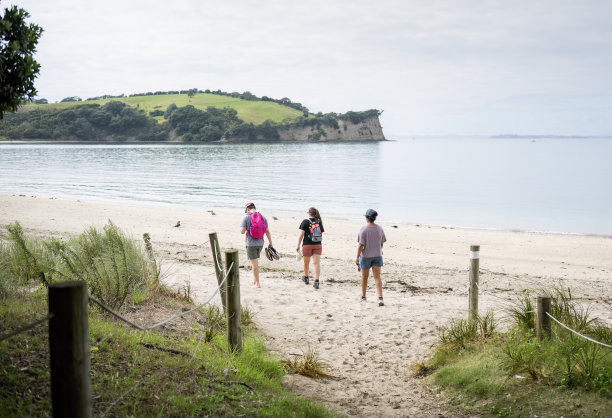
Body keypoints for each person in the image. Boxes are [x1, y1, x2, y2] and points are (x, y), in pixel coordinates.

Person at [356, 209, 386, 306]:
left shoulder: (363, 229)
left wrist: (357, 257)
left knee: (364, 277)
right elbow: (381, 243)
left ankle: (364, 297)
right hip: (377, 255)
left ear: (367, 218)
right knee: (377, 277)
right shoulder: (380, 229)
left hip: (366, 256)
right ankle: (380, 297)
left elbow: (361, 245)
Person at [240, 202, 273, 288]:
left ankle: (258, 284)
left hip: (251, 243)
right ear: (254, 208)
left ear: (247, 209)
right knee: (254, 262)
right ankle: (255, 281)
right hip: (260, 243)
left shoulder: (246, 217)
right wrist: (270, 242)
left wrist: (244, 228)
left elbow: (242, 231)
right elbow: (267, 231)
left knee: (254, 264)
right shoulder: (263, 217)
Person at [296, 207, 324, 289]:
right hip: (318, 245)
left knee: (306, 263)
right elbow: (320, 233)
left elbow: (301, 234)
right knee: (317, 263)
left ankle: (306, 278)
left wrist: (298, 245)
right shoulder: (319, 222)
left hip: (307, 245)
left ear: (309, 213)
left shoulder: (305, 221)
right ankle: (317, 281)